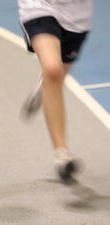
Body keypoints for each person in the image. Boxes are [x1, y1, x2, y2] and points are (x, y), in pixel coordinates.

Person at [18, 0, 93, 181]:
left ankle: (45, 85)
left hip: (77, 15)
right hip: (39, 6)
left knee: (56, 75)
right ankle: (62, 154)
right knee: (53, 69)